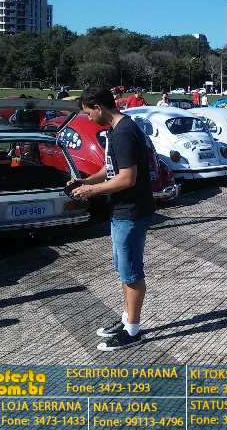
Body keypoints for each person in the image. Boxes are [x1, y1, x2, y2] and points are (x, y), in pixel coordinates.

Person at [72, 86, 156, 351]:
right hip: (121, 211)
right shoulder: (116, 130)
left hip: (131, 212)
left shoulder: (124, 133)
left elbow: (126, 178)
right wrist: (87, 181)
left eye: (88, 113)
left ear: (99, 108)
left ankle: (133, 331)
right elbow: (109, 168)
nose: (88, 118)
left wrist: (92, 191)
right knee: (124, 270)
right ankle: (126, 319)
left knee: (131, 273)